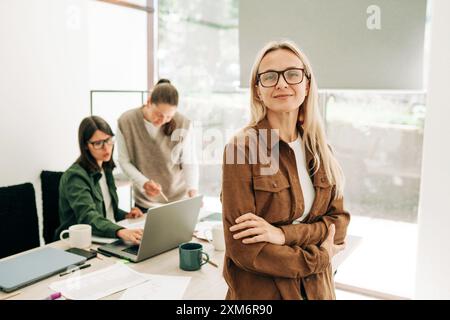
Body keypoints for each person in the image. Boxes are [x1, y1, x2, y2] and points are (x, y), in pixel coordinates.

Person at [221, 40, 351, 300]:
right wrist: (319, 255)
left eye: (292, 74)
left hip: (318, 291)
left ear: (307, 84)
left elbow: (339, 224)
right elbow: (247, 250)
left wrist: (281, 235)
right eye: (269, 76)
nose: (281, 83)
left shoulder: (321, 149)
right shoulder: (241, 148)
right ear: (258, 90)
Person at [56, 116, 144, 244]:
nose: (106, 148)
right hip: (78, 243)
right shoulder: (75, 177)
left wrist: (125, 216)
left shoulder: (105, 169)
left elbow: (106, 212)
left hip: (103, 238)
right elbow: (88, 217)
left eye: (108, 140)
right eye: (98, 143)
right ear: (85, 146)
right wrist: (120, 230)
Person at [117, 79, 199, 212]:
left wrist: (192, 190)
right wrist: (144, 183)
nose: (162, 121)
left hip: (178, 200)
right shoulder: (126, 121)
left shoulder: (183, 123)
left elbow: (189, 161)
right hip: (145, 203)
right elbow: (124, 161)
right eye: (159, 114)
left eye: (168, 117)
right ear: (149, 102)